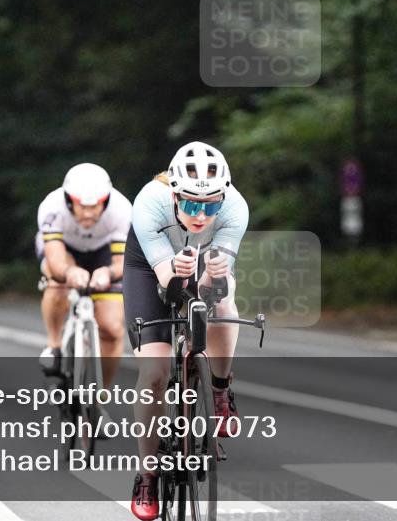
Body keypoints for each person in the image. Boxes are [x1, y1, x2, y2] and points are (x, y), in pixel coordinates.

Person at [123, 142, 248, 521]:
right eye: (191, 205)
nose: (200, 215)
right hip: (152, 267)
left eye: (210, 206)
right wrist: (177, 271)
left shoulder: (235, 209)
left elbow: (215, 289)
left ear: (223, 198)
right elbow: (169, 289)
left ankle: (221, 390)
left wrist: (211, 274)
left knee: (224, 306)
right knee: (154, 373)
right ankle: (147, 474)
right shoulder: (149, 203)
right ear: (174, 194)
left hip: (204, 264)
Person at [35, 163, 131, 392]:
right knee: (57, 282)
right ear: (69, 200)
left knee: (112, 328)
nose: (88, 213)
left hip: (104, 251)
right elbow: (57, 260)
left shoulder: (122, 210)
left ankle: (99, 400)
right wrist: (69, 272)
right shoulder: (51, 207)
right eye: (81, 206)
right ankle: (54, 344)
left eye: (95, 206)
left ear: (106, 200)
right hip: (64, 249)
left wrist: (107, 273)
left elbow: (122, 264)